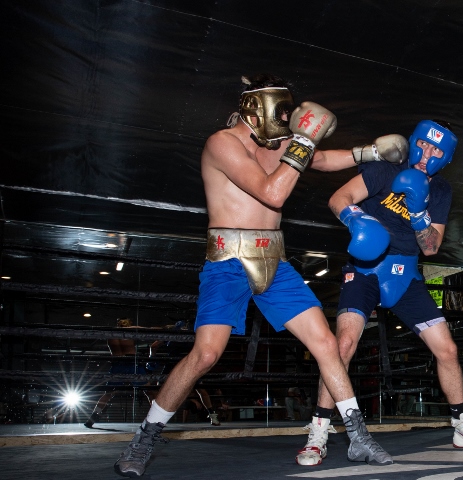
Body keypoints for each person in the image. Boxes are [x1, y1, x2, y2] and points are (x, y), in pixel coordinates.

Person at [114, 73, 407, 477]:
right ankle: (146, 436)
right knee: (206, 354)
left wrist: (372, 151)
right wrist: (303, 142)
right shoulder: (222, 143)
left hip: (275, 261)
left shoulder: (280, 143)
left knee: (325, 342)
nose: (288, 121)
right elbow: (272, 193)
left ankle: (358, 435)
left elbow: (321, 159)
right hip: (227, 261)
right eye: (283, 112)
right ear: (259, 106)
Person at [296, 119, 463, 468]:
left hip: (404, 274)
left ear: (446, 157)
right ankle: (318, 432)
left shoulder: (441, 192)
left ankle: (462, 426)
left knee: (447, 349)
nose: (427, 154)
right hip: (364, 269)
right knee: (342, 346)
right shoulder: (384, 169)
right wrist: (357, 219)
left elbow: (432, 246)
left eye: (438, 150)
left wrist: (420, 213)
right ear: (414, 141)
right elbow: (339, 197)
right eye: (424, 144)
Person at [84, 318, 158, 428]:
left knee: (108, 394)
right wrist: (167, 328)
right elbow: (148, 329)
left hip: (117, 366)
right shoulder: (130, 331)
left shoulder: (111, 334)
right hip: (131, 364)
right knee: (149, 391)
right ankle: (156, 419)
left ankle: (92, 418)